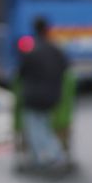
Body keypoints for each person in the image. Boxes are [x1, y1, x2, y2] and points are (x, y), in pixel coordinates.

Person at [17, 16, 70, 169]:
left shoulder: (31, 51)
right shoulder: (56, 50)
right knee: (45, 126)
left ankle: (54, 155)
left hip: (33, 97)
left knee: (35, 129)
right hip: (53, 96)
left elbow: (21, 74)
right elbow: (65, 69)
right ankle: (41, 157)